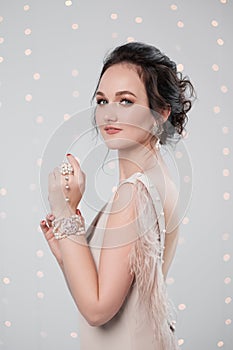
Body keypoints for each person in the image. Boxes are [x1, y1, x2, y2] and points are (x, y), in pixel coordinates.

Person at [40, 42, 195, 350]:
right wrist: (66, 252)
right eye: (102, 100)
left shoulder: (135, 192)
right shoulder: (161, 181)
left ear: (160, 112)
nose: (108, 113)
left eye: (125, 101)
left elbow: (98, 310)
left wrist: (66, 209)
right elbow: (129, 289)